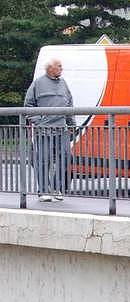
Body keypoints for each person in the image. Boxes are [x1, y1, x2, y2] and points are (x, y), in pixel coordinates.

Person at [24, 59, 74, 203]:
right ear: (50, 68)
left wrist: (71, 124)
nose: (62, 68)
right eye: (59, 66)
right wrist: (39, 121)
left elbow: (70, 104)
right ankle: (44, 191)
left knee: (65, 158)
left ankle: (57, 188)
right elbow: (28, 105)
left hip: (61, 129)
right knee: (43, 160)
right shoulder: (38, 83)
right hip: (44, 130)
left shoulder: (64, 83)